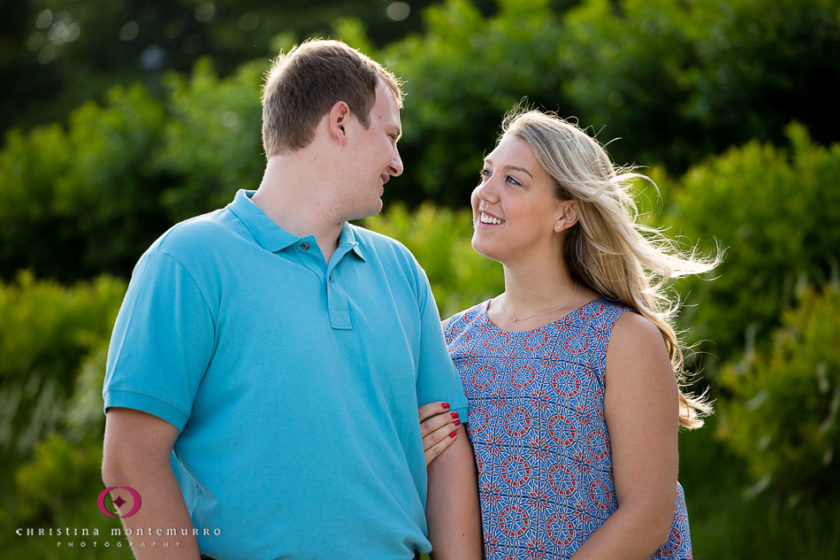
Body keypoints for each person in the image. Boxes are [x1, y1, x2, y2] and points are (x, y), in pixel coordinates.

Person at [101, 39, 481, 560]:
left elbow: (447, 445)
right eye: (390, 137)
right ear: (341, 122)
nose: (397, 163)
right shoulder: (187, 261)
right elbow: (131, 461)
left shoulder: (400, 271)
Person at [422, 108, 718, 559]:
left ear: (566, 214)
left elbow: (649, 515)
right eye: (487, 173)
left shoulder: (623, 338)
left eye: (513, 181)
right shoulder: (449, 341)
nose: (484, 193)